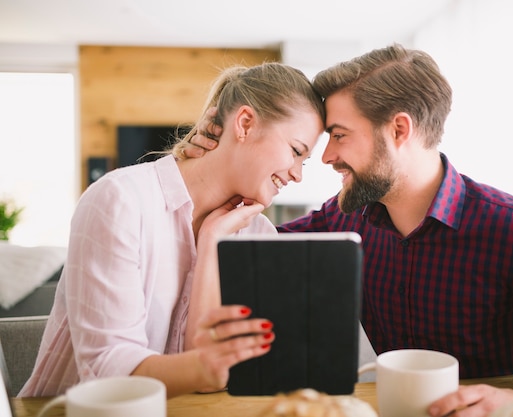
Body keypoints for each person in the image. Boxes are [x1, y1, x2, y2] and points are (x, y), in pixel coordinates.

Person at [186, 45, 513, 416]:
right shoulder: (344, 218)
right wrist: (204, 164)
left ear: (399, 129)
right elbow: (247, 252)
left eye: (339, 135)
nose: (327, 157)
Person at [18, 62, 325, 398]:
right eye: (296, 151)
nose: (297, 174)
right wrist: (208, 369)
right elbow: (109, 369)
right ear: (245, 123)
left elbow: (208, 384)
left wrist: (212, 243)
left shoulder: (258, 234)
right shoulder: (121, 201)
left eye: (304, 161)